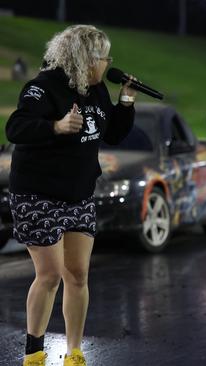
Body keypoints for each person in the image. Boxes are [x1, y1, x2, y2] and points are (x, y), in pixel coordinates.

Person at [5, 25, 136, 366]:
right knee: (49, 274)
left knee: (77, 274)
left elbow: (114, 134)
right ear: (86, 59)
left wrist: (125, 99)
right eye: (104, 57)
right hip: (38, 193)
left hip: (78, 194)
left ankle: (74, 352)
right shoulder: (42, 87)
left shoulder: (95, 91)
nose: (108, 63)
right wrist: (56, 126)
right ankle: (34, 352)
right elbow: (15, 127)